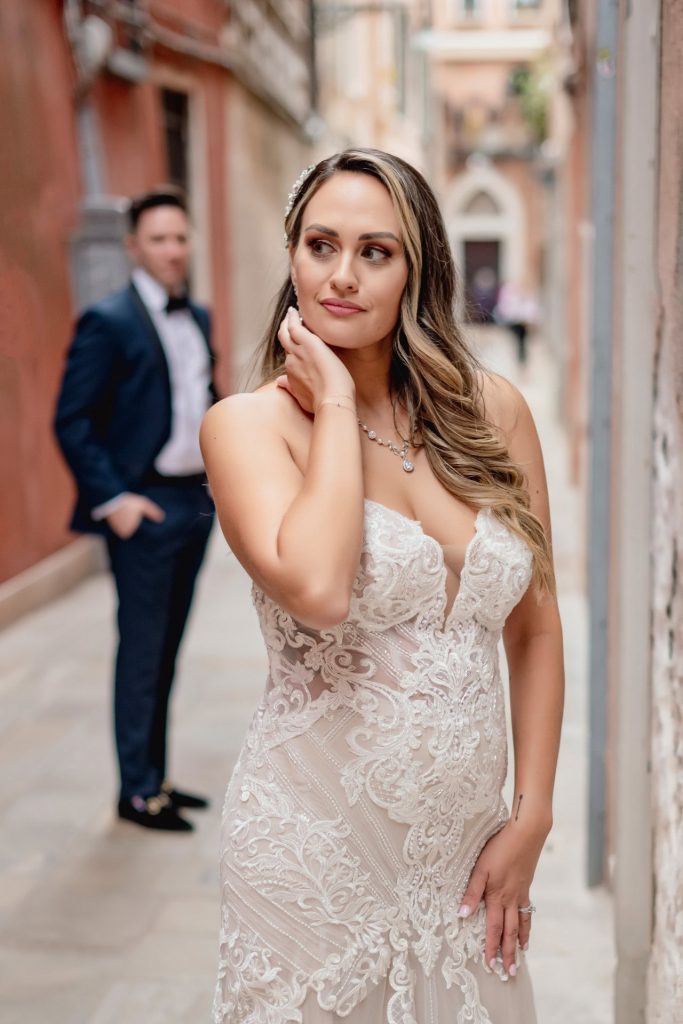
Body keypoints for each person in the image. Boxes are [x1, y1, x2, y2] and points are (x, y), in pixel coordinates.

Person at [202, 149, 564, 1020]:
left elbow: (535, 627)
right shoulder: (248, 428)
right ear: (291, 255)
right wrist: (330, 403)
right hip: (312, 846)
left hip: (465, 852)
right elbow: (320, 589)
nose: (341, 276)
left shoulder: (494, 412)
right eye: (320, 245)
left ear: (417, 267)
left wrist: (534, 817)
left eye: (375, 251)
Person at [55, 188, 216, 832]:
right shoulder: (109, 320)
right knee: (143, 650)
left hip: (193, 504)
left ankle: (158, 776)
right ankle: (136, 791)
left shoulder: (198, 316)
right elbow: (72, 422)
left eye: (180, 238)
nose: (173, 251)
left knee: (169, 647)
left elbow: (205, 401)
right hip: (143, 509)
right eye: (159, 240)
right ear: (133, 248)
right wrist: (116, 502)